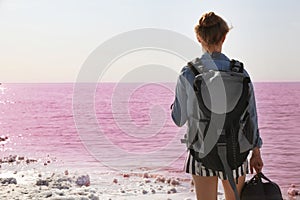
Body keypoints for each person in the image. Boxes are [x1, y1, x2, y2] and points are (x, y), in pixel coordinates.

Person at [171, 12, 264, 200]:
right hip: (236, 151)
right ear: (224, 37)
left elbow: (179, 120)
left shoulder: (188, 73)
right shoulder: (240, 72)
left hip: (201, 151)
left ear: (199, 38)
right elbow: (251, 115)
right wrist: (256, 152)